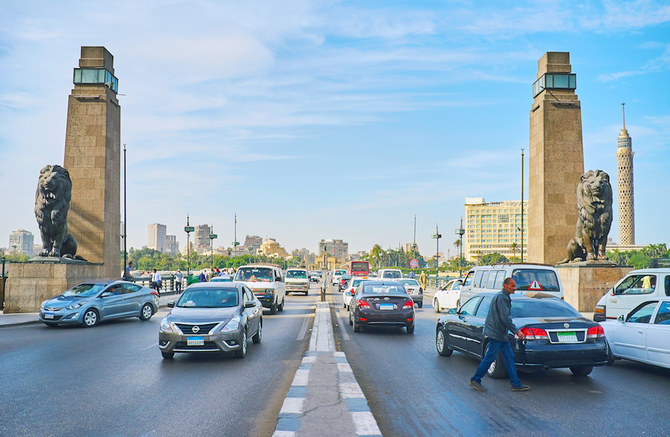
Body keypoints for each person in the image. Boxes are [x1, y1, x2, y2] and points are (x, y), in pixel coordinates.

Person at [469, 277, 530, 392]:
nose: (514, 288)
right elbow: (505, 318)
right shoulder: (502, 298)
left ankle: (515, 383)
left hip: (500, 334)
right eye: (512, 286)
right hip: (496, 333)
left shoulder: (503, 296)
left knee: (509, 357)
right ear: (505, 286)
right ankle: (475, 379)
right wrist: (517, 331)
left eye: (514, 286)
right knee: (491, 357)